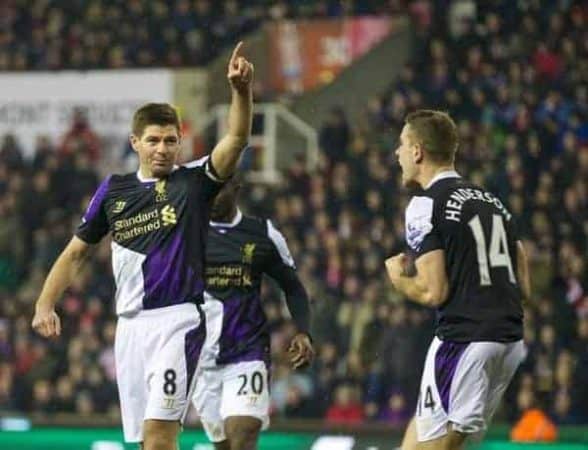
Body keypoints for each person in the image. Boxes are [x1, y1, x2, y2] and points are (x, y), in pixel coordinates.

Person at [31, 42, 254, 450]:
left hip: (177, 321)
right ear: (135, 142)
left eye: (171, 141)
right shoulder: (114, 191)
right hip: (130, 329)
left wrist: (241, 91)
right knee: (142, 442)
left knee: (158, 438)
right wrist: (45, 303)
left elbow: (236, 139)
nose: (163, 149)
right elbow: (76, 251)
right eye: (153, 140)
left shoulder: (193, 183)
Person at [385, 110, 531, 450]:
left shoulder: (424, 204)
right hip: (508, 341)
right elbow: (524, 285)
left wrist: (398, 280)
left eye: (402, 145)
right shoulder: (492, 201)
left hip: (464, 341)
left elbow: (433, 291)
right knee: (420, 438)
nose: (397, 153)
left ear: (418, 151)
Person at [193, 177, 314, 450]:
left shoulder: (262, 234)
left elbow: (293, 287)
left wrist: (304, 332)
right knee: (223, 445)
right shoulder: (188, 232)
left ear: (236, 188)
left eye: (218, 190)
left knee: (243, 435)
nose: (211, 197)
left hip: (247, 353)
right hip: (200, 358)